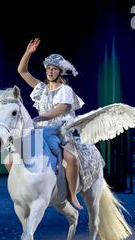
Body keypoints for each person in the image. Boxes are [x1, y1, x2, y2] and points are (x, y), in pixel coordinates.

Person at [16, 38, 87, 209]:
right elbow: (22, 71)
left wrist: (38, 119)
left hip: (62, 131)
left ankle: (71, 194)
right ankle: (20, 187)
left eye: (54, 69)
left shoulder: (66, 90)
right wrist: (28, 53)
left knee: (71, 158)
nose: (50, 71)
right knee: (12, 158)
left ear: (60, 72)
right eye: (48, 68)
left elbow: (60, 109)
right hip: (42, 130)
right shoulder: (41, 89)